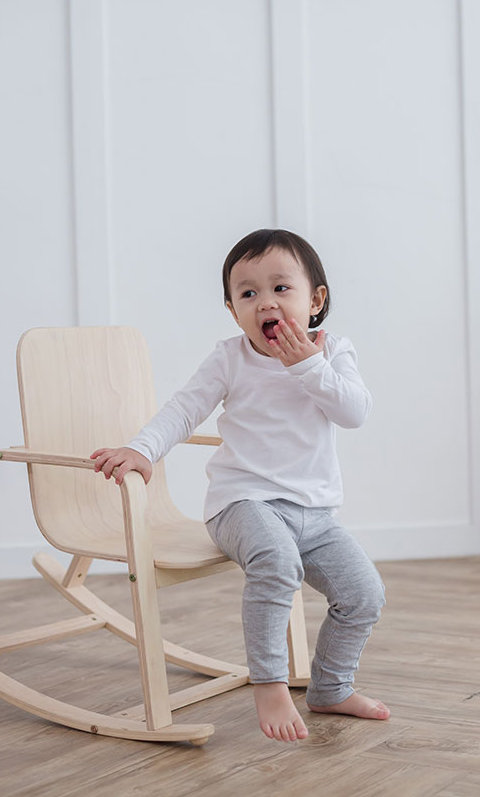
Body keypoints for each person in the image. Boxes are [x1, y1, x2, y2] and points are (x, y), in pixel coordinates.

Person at [91, 228, 389, 742]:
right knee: (276, 562)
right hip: (241, 503)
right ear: (233, 312)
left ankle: (331, 687)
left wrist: (307, 366)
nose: (265, 302)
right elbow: (184, 409)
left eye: (281, 288)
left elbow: (354, 412)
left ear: (315, 301)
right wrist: (142, 450)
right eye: (248, 293)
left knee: (364, 595)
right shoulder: (230, 357)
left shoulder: (334, 351)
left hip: (315, 514)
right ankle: (269, 683)